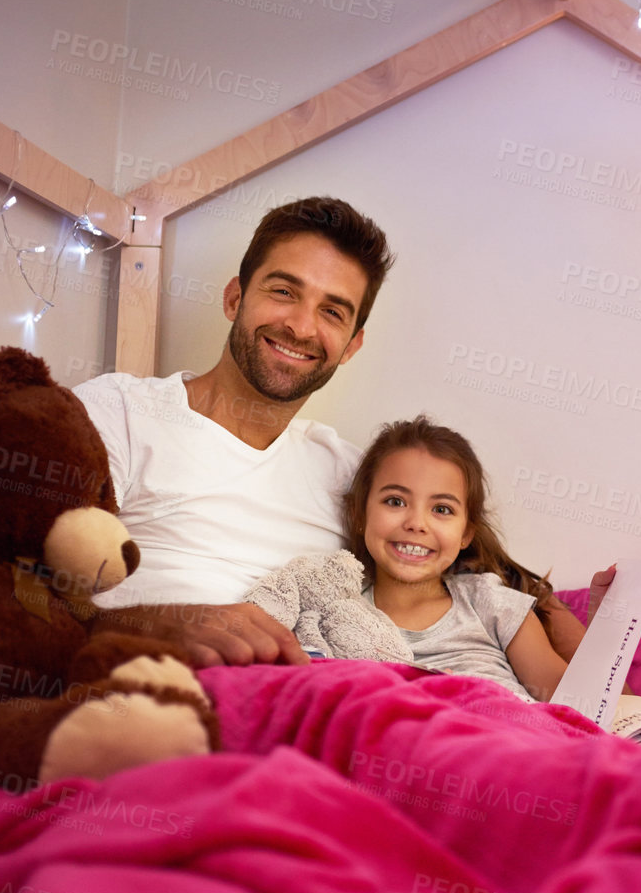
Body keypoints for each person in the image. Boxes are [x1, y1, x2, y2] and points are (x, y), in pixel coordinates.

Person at [75, 196, 599, 669]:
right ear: (235, 298)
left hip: (307, 711)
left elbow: (472, 564)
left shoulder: (350, 474)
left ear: (351, 344)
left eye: (332, 311)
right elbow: (13, 589)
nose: (302, 327)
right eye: (284, 291)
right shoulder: (118, 414)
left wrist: (577, 624)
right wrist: (165, 624)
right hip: (145, 701)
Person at [344, 417, 570, 702]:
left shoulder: (492, 604)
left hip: (513, 736)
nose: (417, 523)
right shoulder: (339, 616)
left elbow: (572, 703)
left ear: (466, 533)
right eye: (395, 501)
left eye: (441, 509)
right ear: (360, 515)